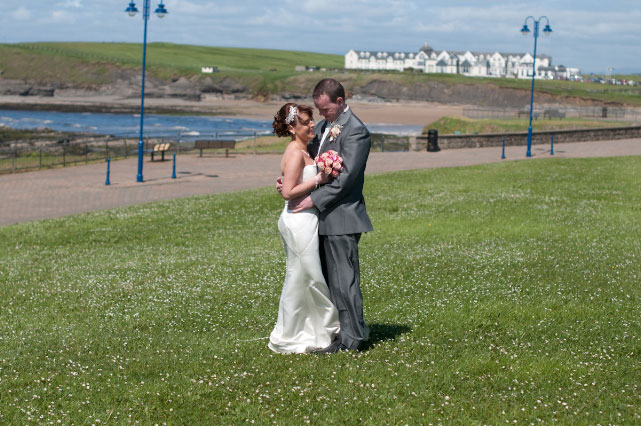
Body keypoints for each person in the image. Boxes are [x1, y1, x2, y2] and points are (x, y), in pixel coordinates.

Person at [285, 78, 373, 353]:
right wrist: (290, 182)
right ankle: (342, 332)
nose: (321, 115)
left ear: (340, 101)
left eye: (326, 109)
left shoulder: (356, 131)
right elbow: (310, 163)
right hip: (321, 218)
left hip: (343, 216)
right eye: (319, 110)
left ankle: (353, 339)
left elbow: (347, 178)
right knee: (329, 280)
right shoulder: (325, 127)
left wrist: (312, 199)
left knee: (345, 280)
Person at [268, 102, 340, 354]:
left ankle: (308, 328)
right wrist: (320, 178)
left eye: (311, 120)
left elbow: (290, 183)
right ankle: (304, 331)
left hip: (306, 219)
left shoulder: (304, 149)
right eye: (307, 121)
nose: (312, 125)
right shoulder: (295, 152)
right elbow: (288, 192)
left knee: (303, 276)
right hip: (298, 220)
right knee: (307, 276)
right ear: (291, 128)